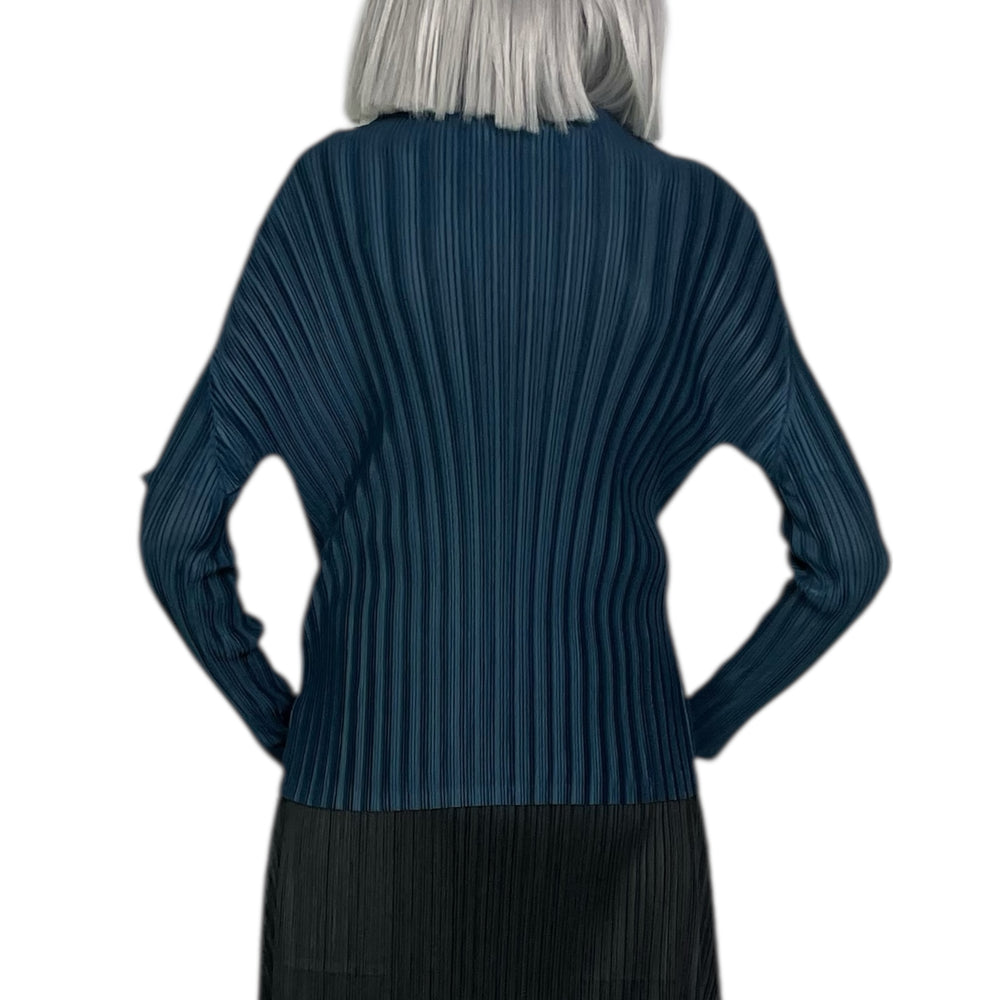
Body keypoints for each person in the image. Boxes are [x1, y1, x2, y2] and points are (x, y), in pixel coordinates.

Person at [138, 1, 891, 996]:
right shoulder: (693, 220)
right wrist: (701, 720)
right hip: (621, 796)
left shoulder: (333, 200)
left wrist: (283, 718)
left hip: (362, 792)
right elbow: (846, 552)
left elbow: (179, 527)